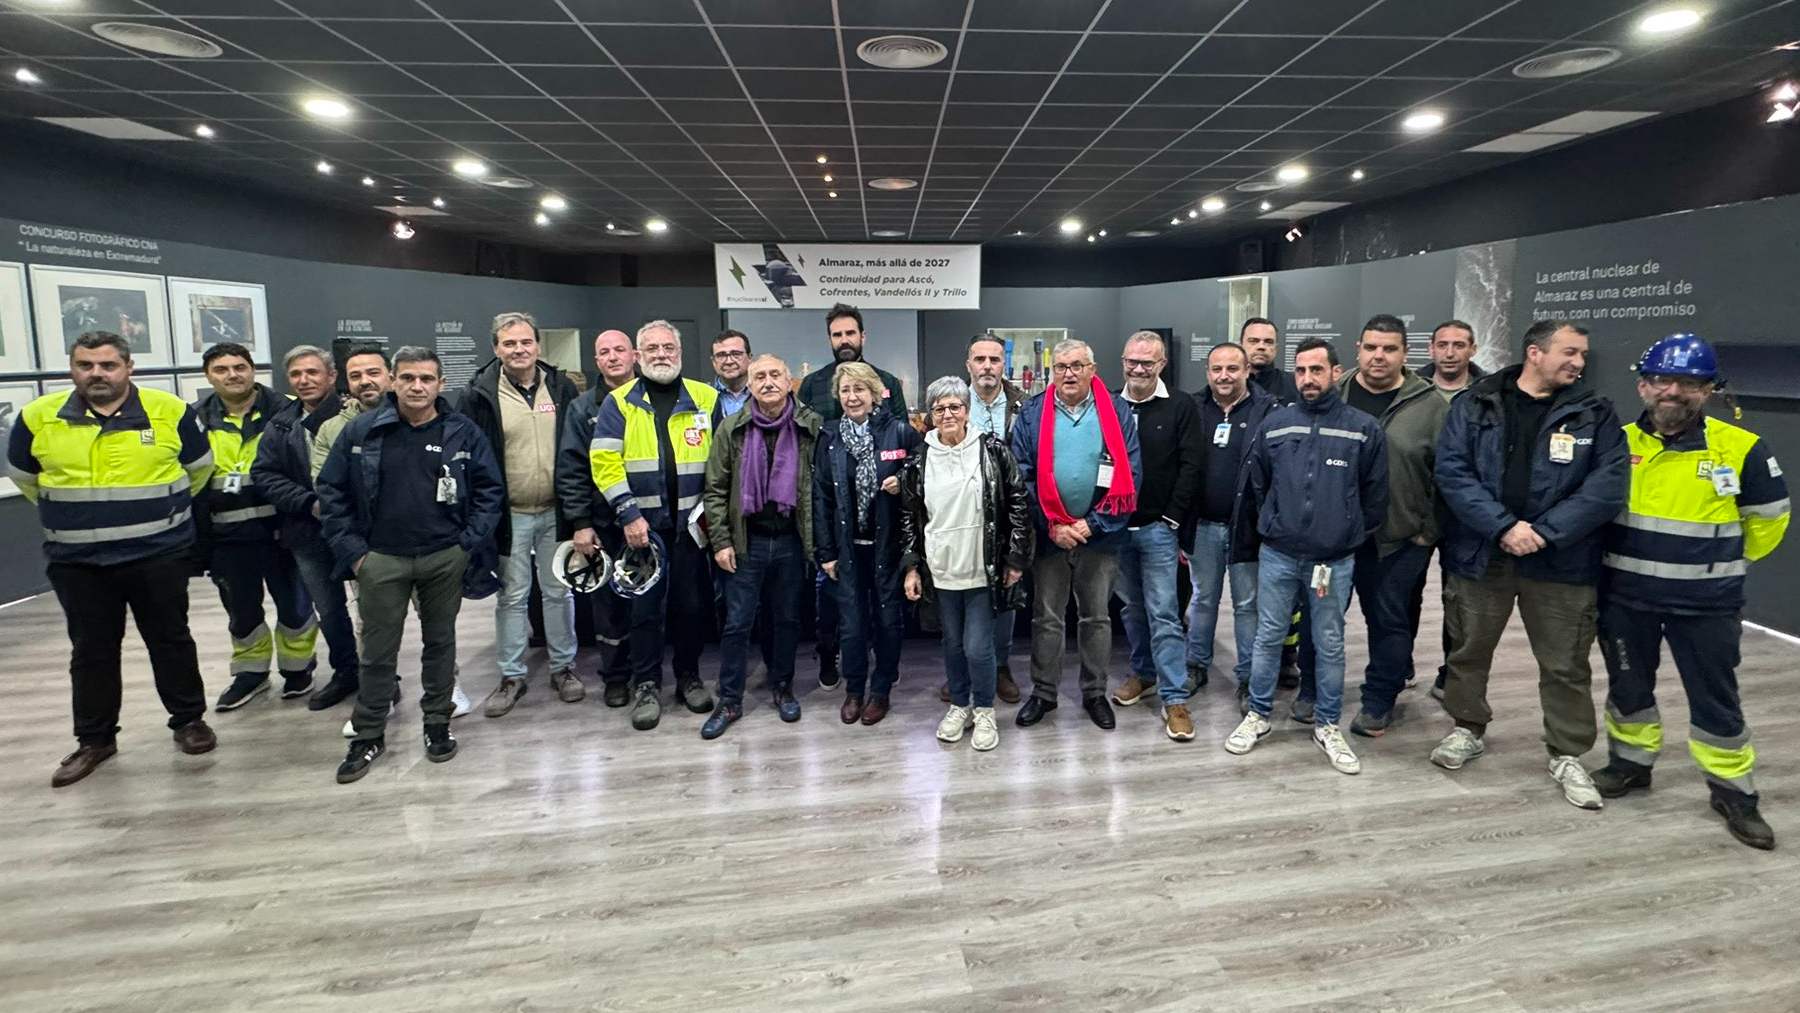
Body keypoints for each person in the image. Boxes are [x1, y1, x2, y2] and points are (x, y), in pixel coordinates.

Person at [1589, 334, 1789, 849]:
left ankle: (1734, 793)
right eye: (1663, 380)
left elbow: (1769, 520)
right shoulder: (1618, 442)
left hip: (1706, 604)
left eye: (1689, 383)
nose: (1674, 391)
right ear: (1643, 385)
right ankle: (1630, 765)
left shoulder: (1740, 447)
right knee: (1629, 688)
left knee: (1716, 700)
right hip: (1625, 597)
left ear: (1709, 390)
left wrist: (1721, 563)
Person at [1430, 320, 1628, 810]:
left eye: (1582, 355)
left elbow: (1607, 486)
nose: (1579, 363)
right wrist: (1503, 527)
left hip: (1562, 562)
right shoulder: (1475, 403)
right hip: (1483, 554)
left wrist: (1544, 532)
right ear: (1534, 352)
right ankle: (1467, 727)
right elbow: (1452, 473)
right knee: (1469, 649)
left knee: (1565, 662)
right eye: (1570, 352)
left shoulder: (1595, 413)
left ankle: (1567, 752)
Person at [9, 330, 218, 787]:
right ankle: (95, 739)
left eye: (107, 365)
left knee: (171, 640)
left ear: (128, 368)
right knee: (91, 651)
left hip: (157, 553)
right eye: (86, 365)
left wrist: (159, 515)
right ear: (72, 369)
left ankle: (188, 721)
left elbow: (199, 470)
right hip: (77, 561)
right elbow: (25, 476)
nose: (97, 374)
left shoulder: (170, 412)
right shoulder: (38, 417)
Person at [317, 347, 504, 783]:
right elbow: (331, 492)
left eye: (426, 379)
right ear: (393, 382)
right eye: (407, 378)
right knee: (379, 652)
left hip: (444, 556)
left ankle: (437, 722)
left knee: (441, 643)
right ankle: (368, 733)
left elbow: (490, 490)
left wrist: (466, 544)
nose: (416, 387)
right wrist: (356, 554)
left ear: (440, 384)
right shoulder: (362, 431)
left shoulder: (463, 432)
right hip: (381, 559)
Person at [1224, 338, 1386, 775]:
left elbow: (1375, 496)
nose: (1308, 379)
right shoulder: (1276, 425)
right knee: (1268, 636)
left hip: (1333, 561)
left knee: (1329, 643)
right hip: (1278, 553)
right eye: (1301, 371)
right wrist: (1274, 524)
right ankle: (1258, 715)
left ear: (1336, 372)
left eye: (1317, 370)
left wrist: (1344, 532)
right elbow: (1259, 484)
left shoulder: (1362, 428)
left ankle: (1328, 723)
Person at [590, 320, 718, 730]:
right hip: (643, 528)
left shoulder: (705, 397)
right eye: (652, 348)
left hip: (693, 528)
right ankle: (646, 683)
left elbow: (723, 460)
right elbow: (605, 462)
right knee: (645, 610)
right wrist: (628, 513)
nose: (661, 354)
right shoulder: (620, 401)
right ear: (639, 356)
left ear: (680, 354)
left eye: (668, 347)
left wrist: (713, 514)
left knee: (691, 607)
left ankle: (688, 676)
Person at [1010, 339, 1141, 731]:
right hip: (1050, 535)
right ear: (1052, 372)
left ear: (1093, 369)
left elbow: (1130, 471)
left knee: (1096, 618)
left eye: (1078, 365)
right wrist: (1053, 524)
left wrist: (1092, 524)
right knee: (1046, 618)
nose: (1069, 373)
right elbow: (1021, 473)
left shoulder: (1116, 410)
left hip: (1098, 536)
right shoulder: (1033, 412)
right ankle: (1044, 693)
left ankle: (1095, 692)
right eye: (1062, 366)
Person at [456, 311, 582, 716]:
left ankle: (563, 668)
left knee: (558, 592)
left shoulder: (561, 388)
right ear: (496, 348)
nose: (518, 349)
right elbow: (469, 460)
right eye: (509, 343)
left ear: (537, 345)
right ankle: (512, 676)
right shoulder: (478, 394)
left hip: (556, 512)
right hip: (508, 515)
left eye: (525, 342)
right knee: (511, 597)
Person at [900, 376, 1032, 752]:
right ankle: (960, 705)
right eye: (939, 408)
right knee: (953, 646)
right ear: (929, 415)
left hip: (983, 565)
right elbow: (909, 517)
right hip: (940, 569)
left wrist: (1015, 557)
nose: (947, 414)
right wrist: (911, 567)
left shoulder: (991, 450)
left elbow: (1018, 503)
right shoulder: (919, 459)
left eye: (954, 407)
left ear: (967, 410)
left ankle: (985, 710)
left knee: (978, 647)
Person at [1336, 315, 1451, 738]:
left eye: (1388, 349)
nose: (1378, 356)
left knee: (1388, 620)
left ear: (1405, 354)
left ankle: (1378, 700)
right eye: (1371, 347)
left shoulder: (1431, 406)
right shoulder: (1338, 393)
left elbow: (1449, 475)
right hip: (1338, 536)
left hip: (1399, 539)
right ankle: (1317, 693)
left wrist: (1427, 531)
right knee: (1325, 619)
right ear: (1358, 349)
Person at [700, 354, 821, 739]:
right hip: (744, 542)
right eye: (759, 377)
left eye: (774, 375)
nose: (767, 382)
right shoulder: (731, 429)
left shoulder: (810, 426)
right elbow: (715, 490)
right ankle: (730, 699)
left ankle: (782, 688)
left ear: (789, 382)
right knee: (737, 624)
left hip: (790, 540)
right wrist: (721, 541)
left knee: (786, 620)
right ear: (748, 385)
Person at [193, 342, 319, 711]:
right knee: (241, 610)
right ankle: (250, 674)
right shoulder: (196, 419)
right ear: (209, 376)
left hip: (283, 531)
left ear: (252, 370)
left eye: (239, 367)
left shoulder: (286, 410)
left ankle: (299, 669)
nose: (232, 375)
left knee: (295, 605)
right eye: (221, 369)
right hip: (227, 537)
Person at [797, 303, 908, 689]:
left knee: (881, 608)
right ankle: (831, 658)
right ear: (829, 339)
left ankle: (883, 671)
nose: (844, 340)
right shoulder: (812, 385)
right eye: (836, 335)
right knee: (832, 605)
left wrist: (898, 481)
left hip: (881, 518)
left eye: (850, 333)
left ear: (863, 336)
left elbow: (902, 443)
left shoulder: (889, 380)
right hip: (835, 511)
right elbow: (810, 444)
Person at [252, 344, 362, 711]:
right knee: (329, 610)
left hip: (359, 531)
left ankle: (381, 676)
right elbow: (264, 474)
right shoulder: (282, 424)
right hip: (308, 531)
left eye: (313, 372)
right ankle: (346, 672)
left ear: (332, 376)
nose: (304, 380)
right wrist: (308, 502)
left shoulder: (354, 416)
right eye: (297, 374)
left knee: (373, 610)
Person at [1107, 333, 1204, 742]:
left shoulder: (1181, 406)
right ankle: (1144, 673)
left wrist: (1171, 519)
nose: (1139, 369)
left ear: (1162, 364)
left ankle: (1175, 698)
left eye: (1148, 362)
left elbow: (1191, 465)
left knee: (1164, 613)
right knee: (1131, 610)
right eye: (1132, 361)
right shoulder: (1110, 404)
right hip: (1115, 529)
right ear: (1123, 361)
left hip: (1157, 529)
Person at [814, 361, 919, 725]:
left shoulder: (901, 433)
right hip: (847, 549)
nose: (852, 396)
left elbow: (923, 479)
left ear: (875, 394)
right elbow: (821, 497)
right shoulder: (829, 439)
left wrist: (904, 481)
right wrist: (825, 552)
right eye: (845, 390)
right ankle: (854, 690)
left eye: (859, 389)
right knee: (852, 624)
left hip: (888, 548)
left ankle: (881, 691)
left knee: (889, 622)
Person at [936, 333, 1028, 705]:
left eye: (994, 359)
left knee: (1004, 593)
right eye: (980, 359)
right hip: (963, 515)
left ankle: (1000, 665)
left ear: (1003, 363)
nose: (987, 366)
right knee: (960, 598)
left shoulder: (1025, 405)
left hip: (1008, 516)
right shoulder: (953, 404)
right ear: (968, 364)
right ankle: (960, 672)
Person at [1185, 342, 1276, 711]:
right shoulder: (1193, 408)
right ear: (1207, 372)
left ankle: (1248, 676)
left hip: (1247, 528)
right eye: (1217, 369)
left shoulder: (1267, 410)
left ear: (1245, 371)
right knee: (1203, 599)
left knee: (1247, 604)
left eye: (1232, 369)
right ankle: (1196, 665)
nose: (1224, 376)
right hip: (1203, 526)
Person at [557, 328, 638, 707]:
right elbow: (571, 469)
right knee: (609, 608)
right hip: (603, 524)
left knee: (649, 603)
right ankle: (616, 677)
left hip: (648, 521)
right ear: (597, 360)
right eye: (604, 352)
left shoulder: (651, 399)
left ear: (634, 355)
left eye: (619, 350)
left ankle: (650, 673)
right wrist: (580, 523)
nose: (612, 357)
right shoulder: (582, 407)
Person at [1421, 319, 1483, 400]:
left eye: (1459, 346)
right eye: (1442, 346)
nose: (1449, 354)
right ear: (1431, 349)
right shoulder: (1410, 388)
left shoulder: (1492, 391)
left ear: (1473, 350)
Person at [1241, 317, 1299, 404]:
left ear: (1275, 348)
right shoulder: (1229, 383)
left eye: (1268, 342)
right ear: (1241, 345)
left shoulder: (1294, 385)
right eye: (1253, 341)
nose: (1261, 346)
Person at [710, 329, 754, 421]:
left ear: (750, 358)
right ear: (713, 362)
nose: (729, 361)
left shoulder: (764, 392)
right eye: (721, 355)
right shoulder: (704, 396)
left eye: (736, 354)